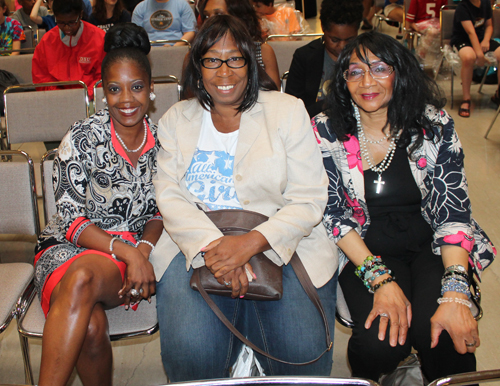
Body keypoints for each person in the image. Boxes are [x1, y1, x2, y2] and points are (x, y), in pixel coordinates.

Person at [152, 14, 338, 382]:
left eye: (235, 58)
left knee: (301, 353)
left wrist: (249, 244)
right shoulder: (176, 119)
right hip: (194, 241)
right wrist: (215, 246)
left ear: (250, 63)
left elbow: (309, 198)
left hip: (281, 238)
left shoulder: (287, 110)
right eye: (212, 60)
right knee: (193, 354)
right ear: (198, 66)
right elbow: (169, 194)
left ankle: (249, 357)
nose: (225, 71)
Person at [312, 31, 496, 383]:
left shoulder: (433, 124)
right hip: (364, 249)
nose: (367, 81)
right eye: (355, 72)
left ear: (400, 72)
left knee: (443, 336)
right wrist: (380, 280)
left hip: (434, 247)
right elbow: (332, 214)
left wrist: (456, 291)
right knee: (378, 344)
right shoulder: (326, 131)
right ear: (343, 80)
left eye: (380, 68)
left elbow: (453, 210)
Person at [34, 22, 163, 386]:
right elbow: (69, 218)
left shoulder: (165, 144)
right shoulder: (81, 137)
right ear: (101, 92)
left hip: (119, 259)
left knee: (84, 277)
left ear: (152, 89)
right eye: (115, 89)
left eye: (137, 87)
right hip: (65, 248)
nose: (126, 99)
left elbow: (161, 212)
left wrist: (142, 250)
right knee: (90, 326)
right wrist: (130, 253)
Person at [285, 0, 363, 118]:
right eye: (335, 40)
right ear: (323, 28)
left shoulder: (366, 57)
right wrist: (327, 104)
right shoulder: (304, 57)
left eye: (349, 40)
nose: (342, 46)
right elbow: (291, 108)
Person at [32, 0, 106, 100]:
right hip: (56, 99)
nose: (67, 28)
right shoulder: (46, 41)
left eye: (72, 22)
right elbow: (41, 78)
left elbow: (104, 77)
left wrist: (86, 95)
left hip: (91, 99)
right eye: (61, 23)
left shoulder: (99, 38)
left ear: (80, 15)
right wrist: (61, 96)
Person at [199, 0, 280, 90]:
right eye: (206, 16)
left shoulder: (263, 52)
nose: (210, 21)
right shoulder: (195, 55)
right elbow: (191, 100)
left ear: (238, 16)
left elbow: (274, 97)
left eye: (218, 14)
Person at [450, 0, 500, 118]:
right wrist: (479, 54)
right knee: (469, 58)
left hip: (481, 38)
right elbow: (470, 32)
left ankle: (498, 94)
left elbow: (489, 26)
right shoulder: (462, 7)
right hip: (463, 40)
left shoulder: (485, 3)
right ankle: (466, 99)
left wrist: (486, 40)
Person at [132, 0, 196, 45]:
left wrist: (174, 47)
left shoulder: (183, 5)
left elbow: (190, 32)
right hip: (150, 49)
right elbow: (136, 35)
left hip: (178, 47)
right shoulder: (140, 8)